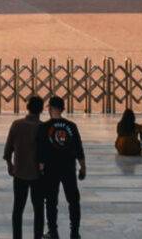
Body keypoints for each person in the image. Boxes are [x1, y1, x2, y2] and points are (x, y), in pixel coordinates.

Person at [39, 94, 85, 239]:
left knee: (51, 202)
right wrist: (83, 167)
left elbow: (41, 151)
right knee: (73, 201)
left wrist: (40, 168)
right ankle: (74, 232)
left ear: (50, 109)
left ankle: (53, 232)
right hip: (68, 168)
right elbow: (79, 148)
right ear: (63, 109)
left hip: (50, 170)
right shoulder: (71, 126)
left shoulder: (44, 127)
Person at [3, 94, 45, 239]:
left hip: (19, 172)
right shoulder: (43, 127)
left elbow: (8, 148)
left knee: (18, 208)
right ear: (41, 110)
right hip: (37, 174)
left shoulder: (17, 124)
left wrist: (10, 164)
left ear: (27, 108)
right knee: (39, 209)